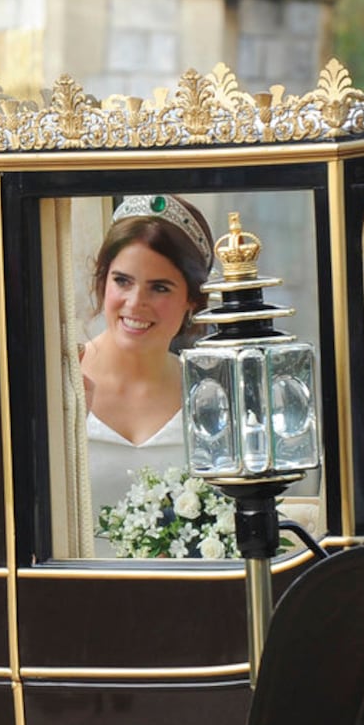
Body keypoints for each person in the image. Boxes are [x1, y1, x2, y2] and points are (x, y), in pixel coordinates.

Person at [80, 194, 213, 514]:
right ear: (102, 281)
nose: (136, 302)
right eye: (122, 281)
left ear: (192, 300)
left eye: (160, 287)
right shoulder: (61, 382)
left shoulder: (211, 394)